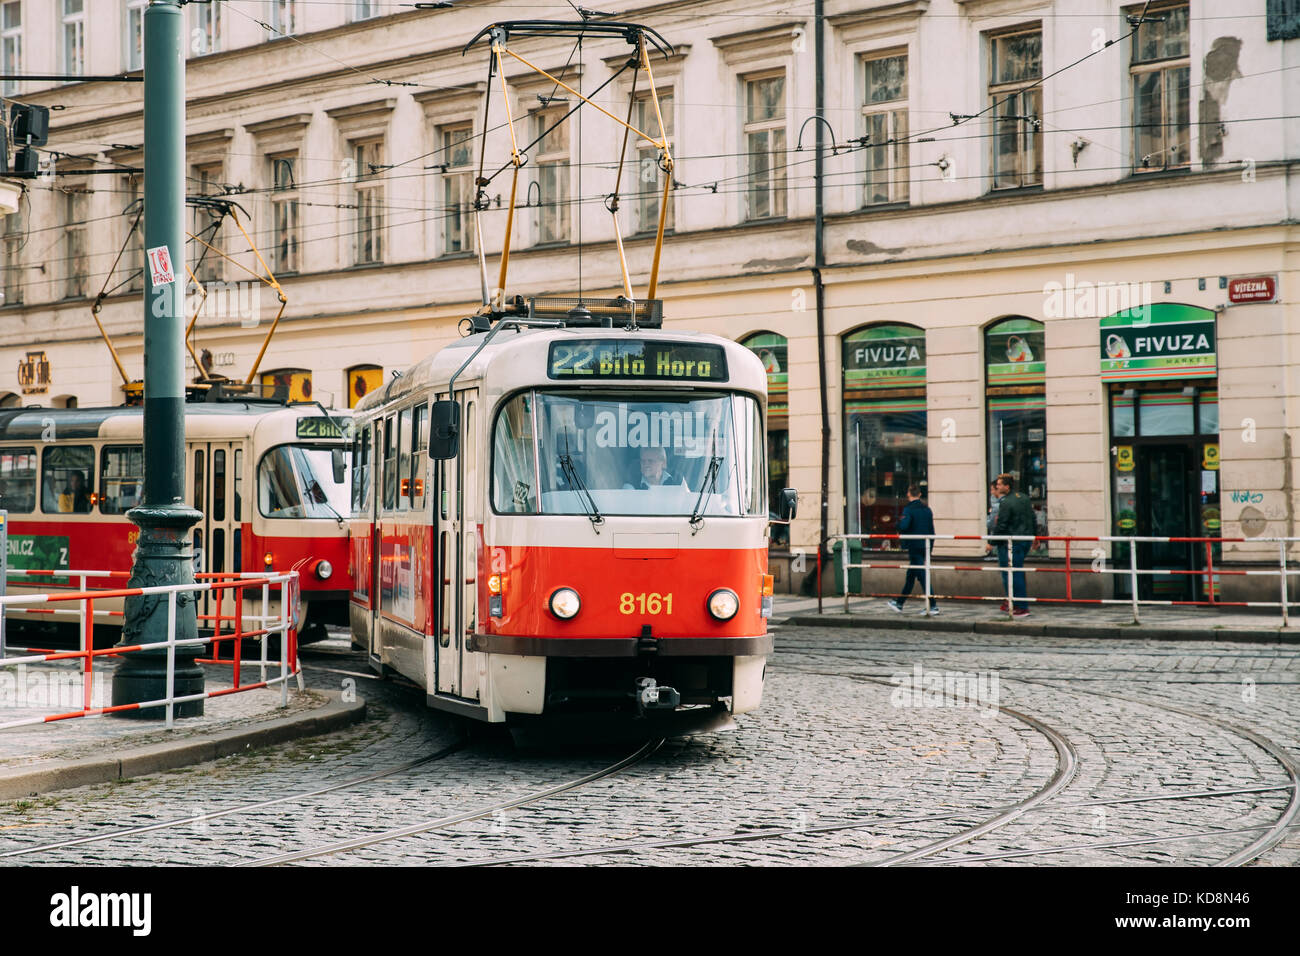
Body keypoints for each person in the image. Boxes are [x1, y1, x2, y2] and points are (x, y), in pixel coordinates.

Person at [887, 484, 937, 616]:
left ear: (908, 494)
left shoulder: (908, 509)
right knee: (911, 576)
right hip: (925, 546)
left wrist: (896, 525)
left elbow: (904, 525)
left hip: (914, 546)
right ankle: (899, 603)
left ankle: (933, 606)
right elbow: (932, 531)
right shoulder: (927, 509)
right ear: (919, 494)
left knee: (922, 576)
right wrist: (930, 548)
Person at [993, 472, 1035, 618]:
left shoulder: (1006, 502)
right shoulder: (1023, 498)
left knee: (1010, 573)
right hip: (1025, 540)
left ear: (1006, 486)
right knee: (1018, 572)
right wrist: (1034, 536)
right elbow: (1032, 517)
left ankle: (1020, 606)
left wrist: (991, 542)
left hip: (1011, 543)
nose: (997, 487)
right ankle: (1013, 601)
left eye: (999, 484)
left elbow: (1002, 524)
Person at [984, 480, 1001, 562]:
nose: (991, 492)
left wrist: (991, 542)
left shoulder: (997, 506)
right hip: (1016, 541)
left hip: (1003, 542)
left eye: (992, 490)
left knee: (1006, 567)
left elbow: (991, 525)